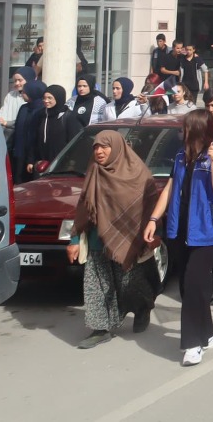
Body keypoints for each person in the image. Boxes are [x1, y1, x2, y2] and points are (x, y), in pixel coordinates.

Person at [144, 109, 213, 366]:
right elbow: (170, 187)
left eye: (186, 128)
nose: (182, 133)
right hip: (179, 229)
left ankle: (193, 344)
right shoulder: (181, 156)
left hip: (207, 232)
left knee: (194, 285)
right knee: (191, 286)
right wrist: (153, 218)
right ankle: (207, 333)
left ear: (200, 132)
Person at [69, 130, 161, 348]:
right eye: (96, 147)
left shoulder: (139, 174)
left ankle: (142, 308)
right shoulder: (94, 171)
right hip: (96, 240)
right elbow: (84, 207)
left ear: (117, 147)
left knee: (130, 284)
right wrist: (74, 241)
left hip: (129, 242)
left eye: (105, 147)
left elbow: (150, 207)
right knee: (97, 285)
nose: (99, 151)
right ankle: (100, 328)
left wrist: (154, 233)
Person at [32, 84, 79, 174]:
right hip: (43, 164)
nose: (46, 101)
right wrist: (32, 160)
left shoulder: (68, 116)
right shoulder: (41, 115)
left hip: (62, 165)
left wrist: (71, 162)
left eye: (50, 98)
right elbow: (34, 139)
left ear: (58, 98)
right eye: (44, 98)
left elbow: (74, 141)